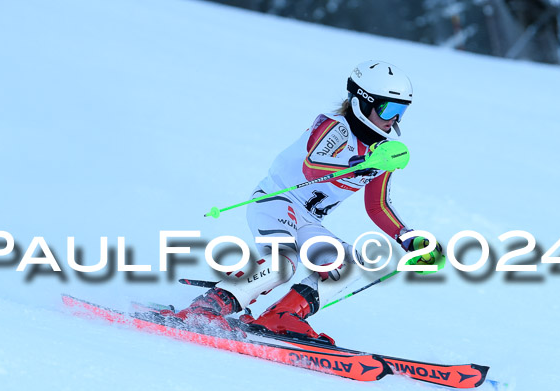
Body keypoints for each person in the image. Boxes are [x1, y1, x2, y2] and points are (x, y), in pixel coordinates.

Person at [173, 60, 444, 344]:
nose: (395, 120)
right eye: (389, 109)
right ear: (363, 102)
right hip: (276, 202)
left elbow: (378, 206)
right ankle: (207, 308)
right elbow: (312, 165)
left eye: (402, 111)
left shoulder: (385, 153)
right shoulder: (334, 125)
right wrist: (361, 163)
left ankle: (281, 316)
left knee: (350, 263)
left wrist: (408, 237)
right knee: (283, 263)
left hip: (307, 220)